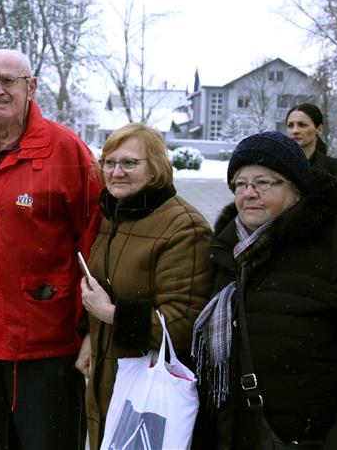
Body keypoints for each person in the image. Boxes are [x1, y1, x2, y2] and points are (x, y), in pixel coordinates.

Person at [0, 48, 101, 450]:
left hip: (46, 342)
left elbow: (94, 242)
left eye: (8, 81)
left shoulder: (66, 151)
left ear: (31, 87)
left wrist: (91, 331)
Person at [192, 131, 337, 448]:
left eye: (263, 182)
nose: (249, 193)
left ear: (297, 189)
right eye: (240, 184)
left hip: (311, 438)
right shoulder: (229, 251)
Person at [77, 123, 214, 450]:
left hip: (149, 390)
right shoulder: (113, 216)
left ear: (155, 170)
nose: (115, 172)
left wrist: (111, 315)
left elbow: (182, 323)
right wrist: (90, 336)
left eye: (129, 163)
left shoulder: (184, 227)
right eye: (109, 162)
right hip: (106, 379)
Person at [286, 102, 337, 221]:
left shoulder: (335, 167)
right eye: (290, 125)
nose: (295, 130)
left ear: (319, 129)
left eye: (302, 125)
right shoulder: (278, 166)